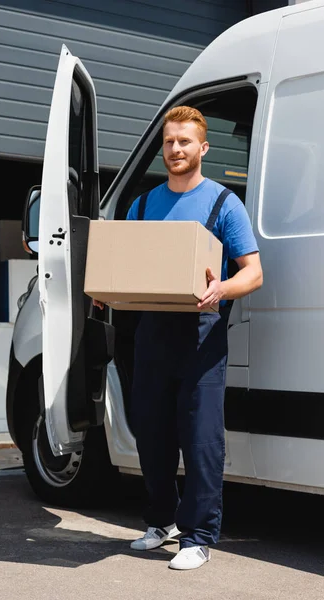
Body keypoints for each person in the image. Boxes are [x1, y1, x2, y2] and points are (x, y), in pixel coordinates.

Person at [94, 106, 263, 570]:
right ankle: (160, 521)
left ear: (203, 148)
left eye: (184, 142)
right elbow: (122, 263)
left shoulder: (224, 203)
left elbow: (254, 273)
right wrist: (107, 291)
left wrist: (221, 289)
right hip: (152, 334)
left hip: (201, 337)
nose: (175, 149)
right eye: (169, 142)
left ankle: (199, 536)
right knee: (152, 435)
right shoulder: (143, 206)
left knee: (201, 438)